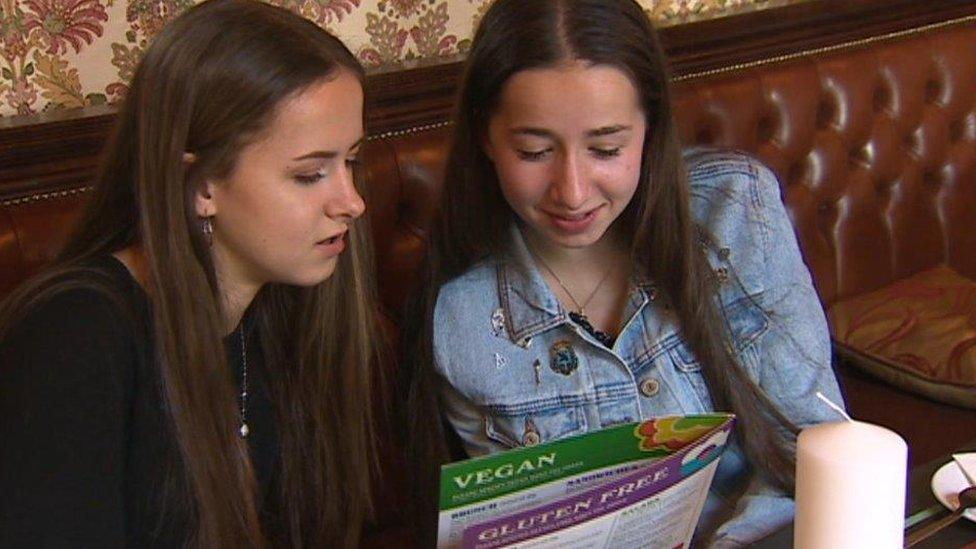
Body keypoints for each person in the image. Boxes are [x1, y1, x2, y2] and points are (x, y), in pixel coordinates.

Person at [405, 0, 844, 546]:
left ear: (650, 129)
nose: (572, 190)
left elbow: (813, 449)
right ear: (486, 138)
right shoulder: (464, 322)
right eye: (534, 150)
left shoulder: (734, 211)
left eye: (606, 148)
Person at [0, 0, 380, 546]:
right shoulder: (73, 336)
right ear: (200, 185)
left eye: (353, 162)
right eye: (310, 174)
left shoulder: (284, 305)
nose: (351, 202)